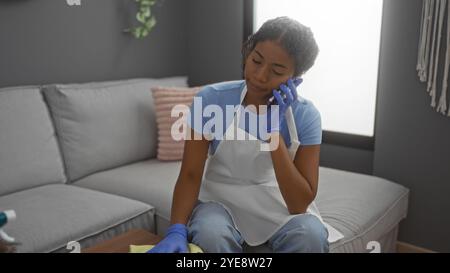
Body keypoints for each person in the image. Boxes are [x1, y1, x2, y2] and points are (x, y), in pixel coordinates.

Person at [148, 16, 343, 253]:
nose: (260, 76)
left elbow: (299, 203)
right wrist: (177, 229)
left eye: (277, 70)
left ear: (295, 78)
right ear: (247, 52)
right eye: (256, 61)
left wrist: (273, 134)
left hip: (277, 203)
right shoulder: (212, 100)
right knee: (211, 234)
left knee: (310, 235)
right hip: (219, 202)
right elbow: (190, 174)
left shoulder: (305, 115)